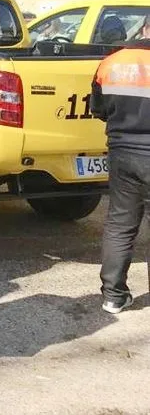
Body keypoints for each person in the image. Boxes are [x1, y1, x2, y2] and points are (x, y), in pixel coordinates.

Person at [91, 45, 150, 315]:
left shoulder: (112, 62)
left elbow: (99, 108)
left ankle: (114, 296)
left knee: (120, 223)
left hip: (123, 152)